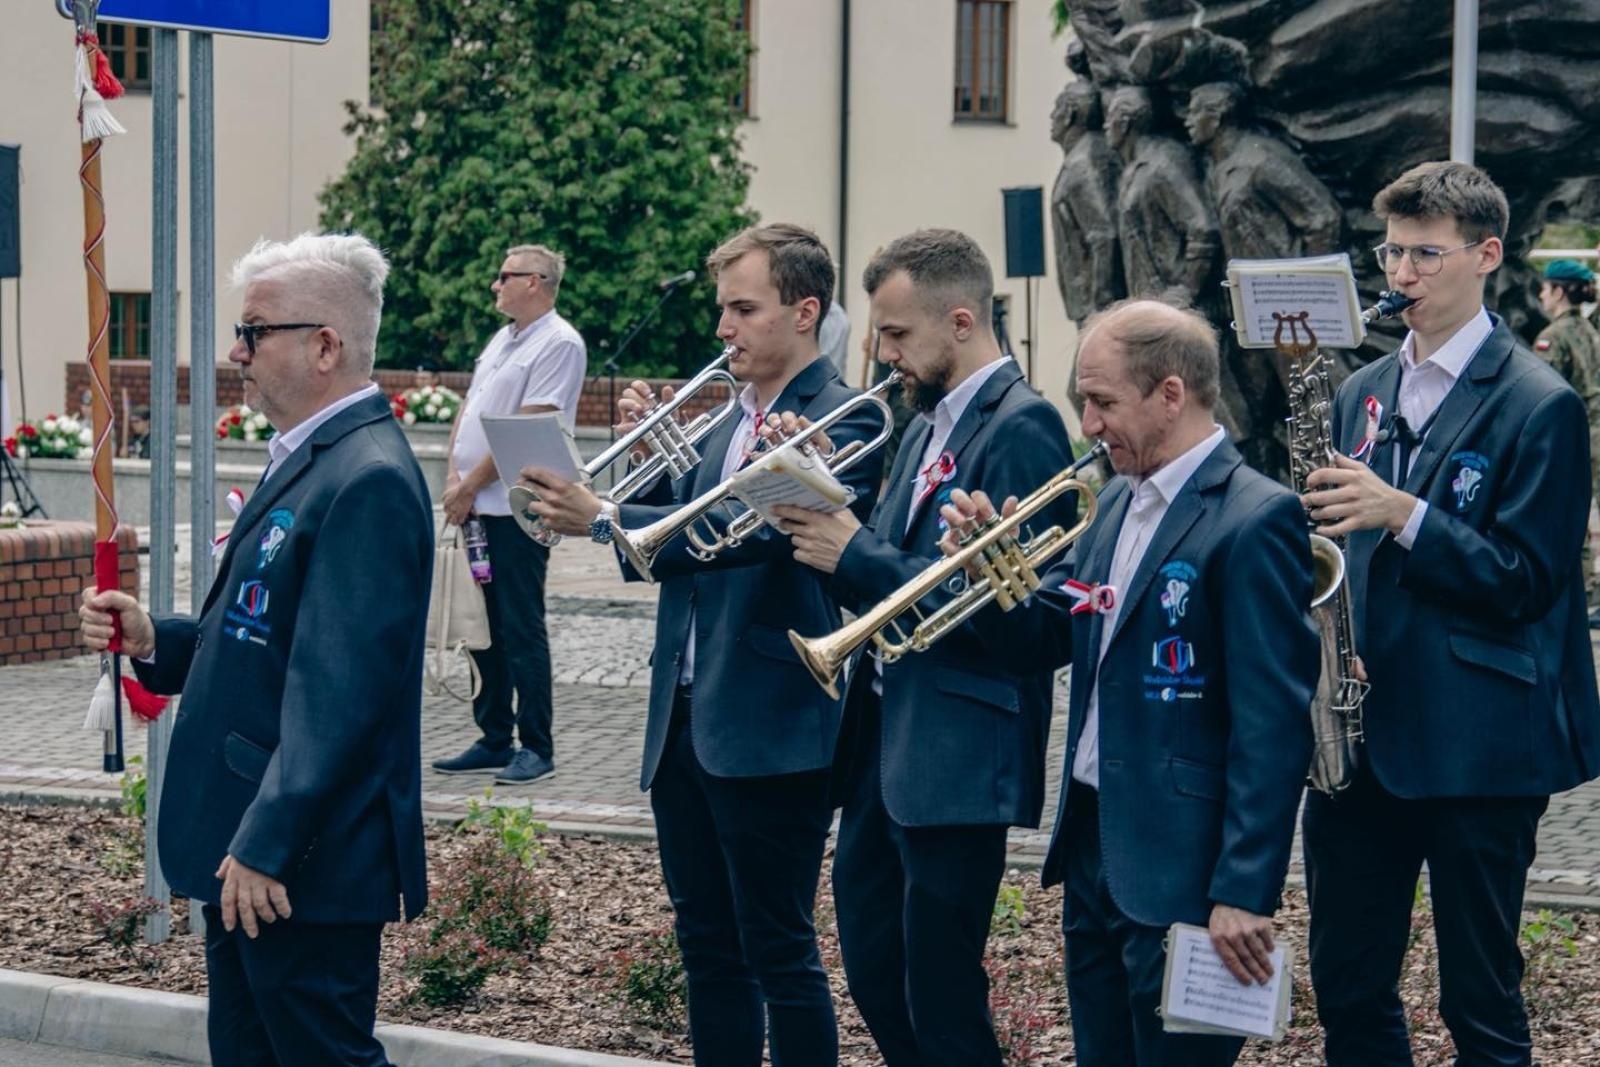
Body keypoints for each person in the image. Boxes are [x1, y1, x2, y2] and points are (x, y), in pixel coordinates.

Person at [519, 223, 882, 1066]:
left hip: (770, 722)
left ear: (804, 311)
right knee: (708, 950)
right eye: (723, 307)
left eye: (743, 308)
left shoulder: (846, 418)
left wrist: (605, 514)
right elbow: (667, 555)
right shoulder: (727, 419)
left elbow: (742, 536)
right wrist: (649, 472)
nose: (723, 328)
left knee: (780, 950)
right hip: (681, 720)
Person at [78, 232, 433, 1066]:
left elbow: (339, 696)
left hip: (298, 862)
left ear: (324, 345)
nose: (236, 352)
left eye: (254, 330)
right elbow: (262, 639)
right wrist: (153, 638)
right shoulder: (313, 458)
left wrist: (267, 843)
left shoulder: (367, 477)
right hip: (255, 850)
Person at [939, 298, 1320, 1066]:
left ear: (1170, 394)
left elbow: (1272, 724)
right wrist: (993, 575)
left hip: (1186, 870)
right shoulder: (1114, 499)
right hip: (1094, 847)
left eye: (1103, 401)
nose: (1087, 423)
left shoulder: (1256, 517)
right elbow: (1049, 635)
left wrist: (1245, 887)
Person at [1302, 160, 1600, 1066]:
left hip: (1481, 745)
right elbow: (1334, 556)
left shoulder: (1540, 404)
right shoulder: (1358, 392)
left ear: (1487, 255)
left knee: (1480, 999)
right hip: (1359, 740)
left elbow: (1531, 581)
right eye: (1392, 252)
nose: (1402, 275)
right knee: (1348, 986)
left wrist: (1407, 514)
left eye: (1426, 255)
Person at [775, 228, 1075, 1066]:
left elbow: (1028, 625)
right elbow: (884, 571)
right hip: (885, 743)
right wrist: (812, 505)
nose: (885, 354)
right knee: (876, 971)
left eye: (900, 335)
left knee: (940, 993)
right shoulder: (923, 424)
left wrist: (858, 551)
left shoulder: (1023, 426)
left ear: (962, 320)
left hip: (959, 755)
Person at [432, 243, 587, 785]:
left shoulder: (559, 343)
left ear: (536, 282)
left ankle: (536, 745)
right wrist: (455, 476)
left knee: (520, 624)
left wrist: (470, 484)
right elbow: (471, 410)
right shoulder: (504, 339)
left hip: (519, 507)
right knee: (483, 626)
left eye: (505, 276)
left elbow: (525, 428)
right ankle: (493, 735)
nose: (495, 285)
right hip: (477, 503)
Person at [1533, 258, 1600, 625]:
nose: (1541, 295)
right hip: (1596, 428)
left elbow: (1543, 395)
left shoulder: (1552, 337)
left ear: (1558, 291)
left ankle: (1583, 593)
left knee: (1570, 512)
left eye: (1545, 288)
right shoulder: (1590, 330)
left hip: (1574, 436)